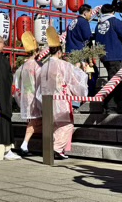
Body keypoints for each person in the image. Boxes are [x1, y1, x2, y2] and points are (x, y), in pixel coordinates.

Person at [35, 27, 88, 160]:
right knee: (66, 124)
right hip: (61, 99)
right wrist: (80, 70)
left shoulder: (44, 66)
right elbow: (74, 80)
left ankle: (56, 148)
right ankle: (57, 148)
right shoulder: (63, 65)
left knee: (55, 124)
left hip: (47, 99)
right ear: (59, 52)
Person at [93, 3, 122, 115]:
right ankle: (110, 106)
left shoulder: (98, 24)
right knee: (116, 82)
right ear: (113, 12)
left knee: (113, 80)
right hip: (114, 54)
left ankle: (108, 105)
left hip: (104, 56)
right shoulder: (114, 21)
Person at [13, 32, 42, 156]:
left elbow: (16, 82)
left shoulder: (22, 67)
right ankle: (24, 144)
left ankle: (26, 144)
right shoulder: (37, 65)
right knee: (34, 121)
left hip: (25, 95)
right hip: (34, 95)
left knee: (33, 120)